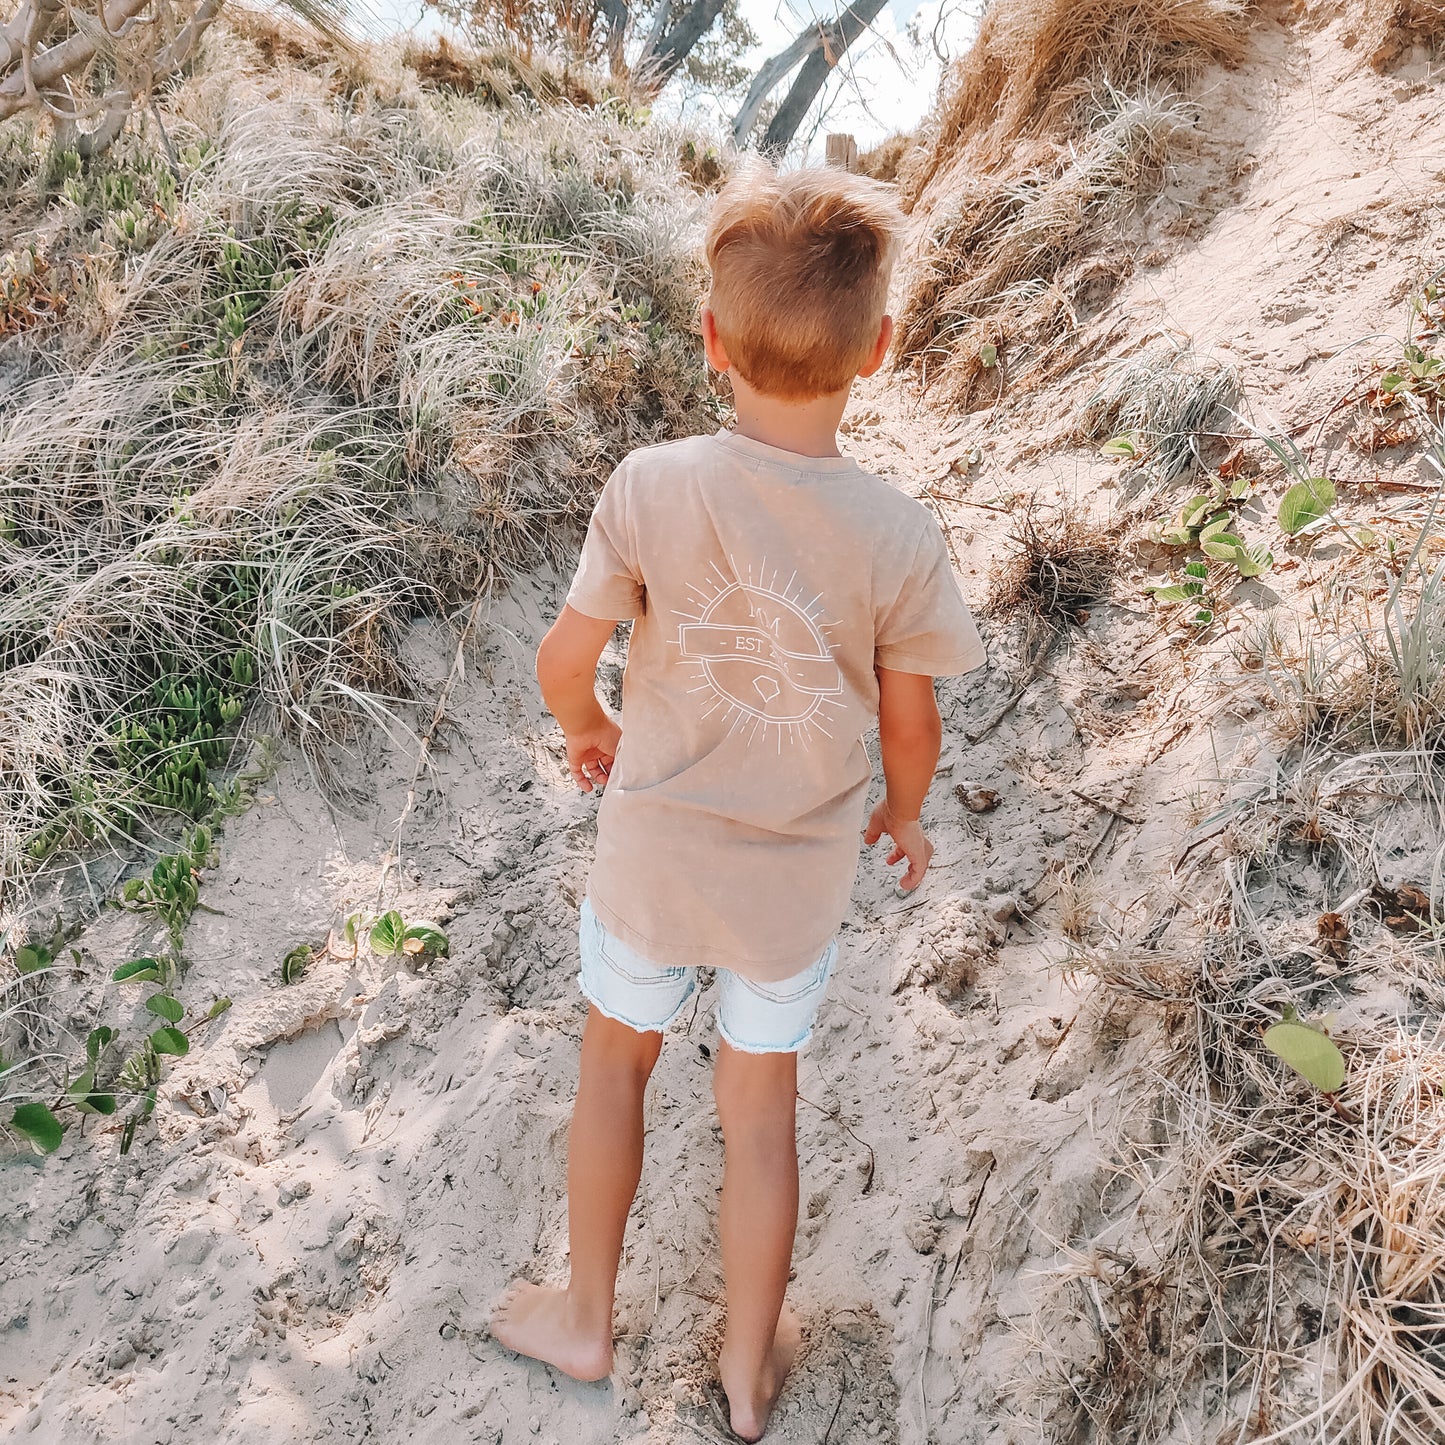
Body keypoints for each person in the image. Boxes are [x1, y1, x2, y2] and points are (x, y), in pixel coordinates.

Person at [491, 160, 985, 1442]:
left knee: (615, 1069)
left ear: (707, 337)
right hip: (792, 891)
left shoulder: (650, 484)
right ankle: (746, 1370)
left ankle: (586, 1314)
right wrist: (904, 815)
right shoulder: (895, 534)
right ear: (877, 350)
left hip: (652, 865)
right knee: (761, 1117)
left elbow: (562, 659)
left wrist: (591, 726)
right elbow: (909, 723)